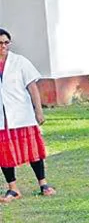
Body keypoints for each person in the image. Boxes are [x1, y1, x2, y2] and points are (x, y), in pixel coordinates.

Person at [0, 28, 55, 203]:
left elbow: (32, 87)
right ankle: (13, 188)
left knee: (33, 150)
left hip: (21, 113)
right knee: (4, 152)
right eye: (0, 43)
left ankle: (43, 184)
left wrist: (38, 111)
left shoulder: (20, 62)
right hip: (2, 117)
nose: (3, 46)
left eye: (6, 42)